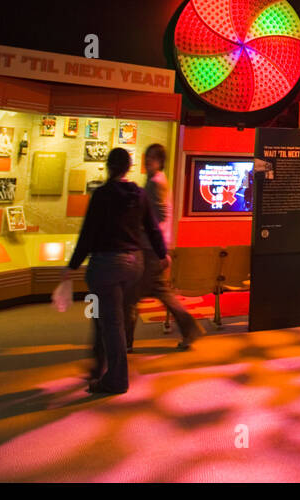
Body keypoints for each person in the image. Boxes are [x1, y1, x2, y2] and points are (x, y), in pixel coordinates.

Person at [64, 148, 162, 395]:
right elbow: (152, 228)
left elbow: (88, 234)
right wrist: (163, 253)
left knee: (110, 322)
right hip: (134, 264)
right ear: (129, 167)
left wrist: (72, 265)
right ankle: (100, 366)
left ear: (109, 166)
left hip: (107, 265)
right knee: (111, 318)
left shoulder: (102, 195)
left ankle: (116, 379)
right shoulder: (139, 194)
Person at [126, 143, 203, 349]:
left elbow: (158, 216)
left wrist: (141, 230)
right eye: (147, 156)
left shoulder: (155, 183)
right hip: (154, 247)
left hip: (151, 249)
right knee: (159, 292)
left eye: (152, 157)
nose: (147, 160)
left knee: (132, 294)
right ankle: (190, 328)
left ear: (160, 161)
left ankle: (125, 342)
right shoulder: (155, 181)